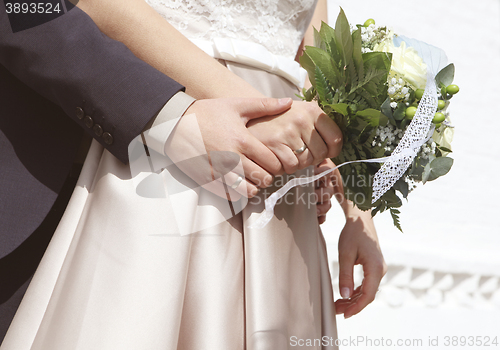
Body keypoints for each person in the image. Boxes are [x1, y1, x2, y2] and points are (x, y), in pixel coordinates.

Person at [1, 1, 386, 350]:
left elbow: (313, 62)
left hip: (281, 180)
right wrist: (263, 115)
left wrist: (357, 204)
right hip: (176, 120)